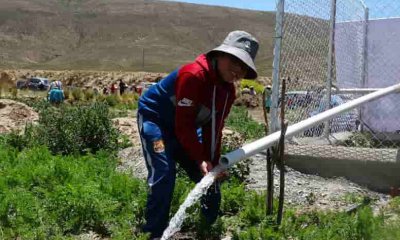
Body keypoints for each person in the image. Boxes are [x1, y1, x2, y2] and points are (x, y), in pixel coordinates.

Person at [137, 30, 259, 239]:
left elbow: (214, 129)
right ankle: (153, 232)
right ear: (220, 55)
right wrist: (200, 158)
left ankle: (207, 227)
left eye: (244, 66)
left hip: (186, 129)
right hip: (157, 123)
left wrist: (212, 162)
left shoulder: (228, 92)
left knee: (210, 177)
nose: (238, 70)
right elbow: (183, 124)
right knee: (164, 173)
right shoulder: (193, 75)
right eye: (235, 61)